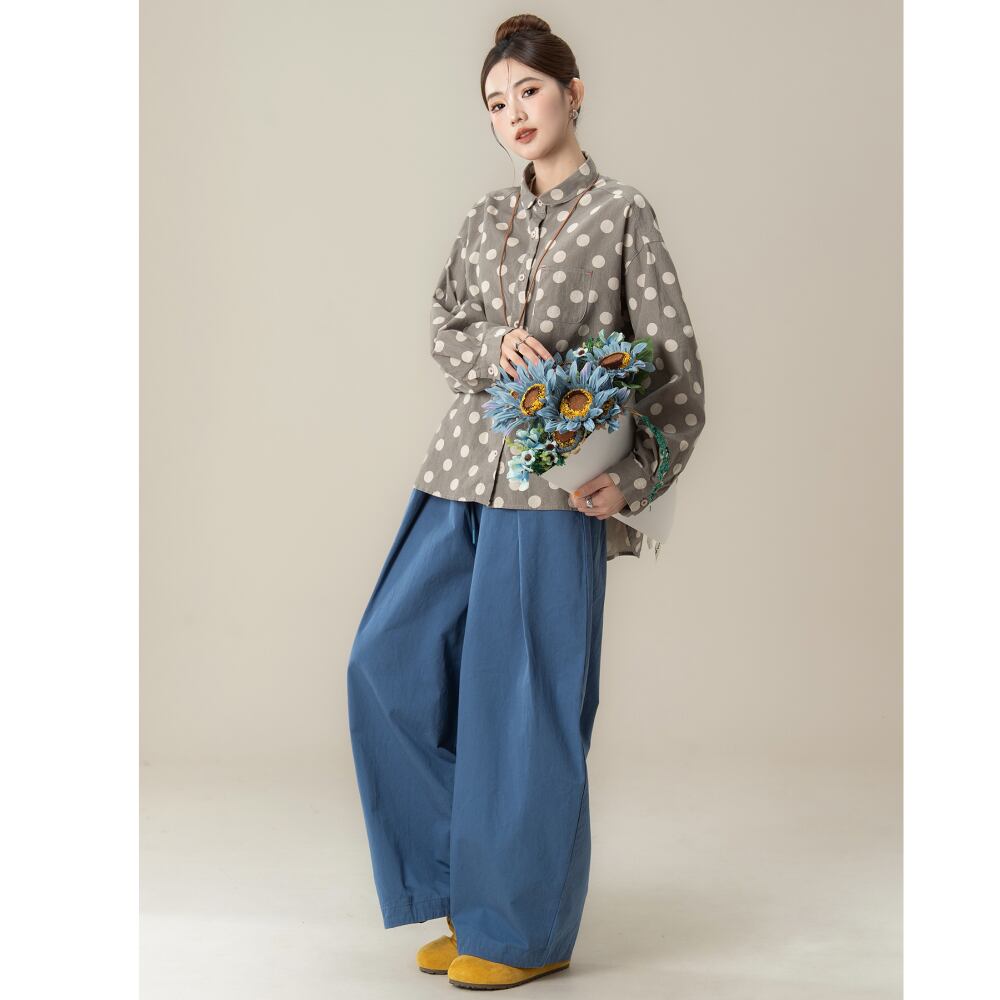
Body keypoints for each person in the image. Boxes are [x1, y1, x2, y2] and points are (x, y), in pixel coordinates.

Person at [347, 12, 707, 990]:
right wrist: (487, 346)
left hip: (555, 497)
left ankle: (521, 930)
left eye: (530, 91)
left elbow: (676, 374)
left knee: (524, 710)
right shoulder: (484, 219)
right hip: (460, 472)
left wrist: (632, 479)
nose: (513, 113)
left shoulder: (622, 214)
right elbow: (445, 323)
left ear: (573, 93)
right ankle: (471, 895)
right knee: (384, 663)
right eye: (496, 102)